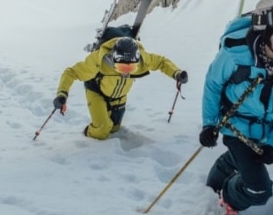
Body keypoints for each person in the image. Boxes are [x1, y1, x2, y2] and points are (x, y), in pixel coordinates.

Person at [199, 0, 273, 215]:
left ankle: (225, 168)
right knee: (259, 189)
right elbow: (213, 85)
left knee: (245, 161)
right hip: (236, 126)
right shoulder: (235, 53)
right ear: (265, 32)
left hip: (268, 131)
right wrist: (209, 124)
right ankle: (229, 196)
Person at [54, 36, 187, 140]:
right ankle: (88, 134)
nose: (126, 72)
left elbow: (161, 62)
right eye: (122, 68)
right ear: (113, 60)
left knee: (114, 129)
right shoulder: (99, 60)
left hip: (119, 96)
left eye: (131, 68)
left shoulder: (142, 59)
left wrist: (176, 73)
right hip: (97, 91)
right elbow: (71, 72)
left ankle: (105, 121)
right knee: (103, 129)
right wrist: (62, 94)